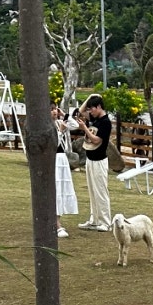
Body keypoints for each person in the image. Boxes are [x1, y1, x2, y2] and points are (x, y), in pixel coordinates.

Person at [78, 93, 113, 231]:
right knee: (92, 191)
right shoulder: (95, 119)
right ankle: (94, 220)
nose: (90, 111)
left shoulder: (105, 122)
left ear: (99, 107)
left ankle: (105, 222)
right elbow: (81, 111)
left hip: (100, 161)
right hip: (90, 159)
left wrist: (85, 129)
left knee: (101, 191)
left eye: (92, 108)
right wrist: (90, 96)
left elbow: (97, 140)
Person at [52, 101, 79, 237]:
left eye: (55, 109)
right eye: (51, 109)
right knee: (56, 190)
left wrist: (65, 115)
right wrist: (60, 131)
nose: (54, 112)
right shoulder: (48, 126)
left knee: (62, 190)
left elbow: (75, 125)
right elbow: (53, 144)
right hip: (54, 159)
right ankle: (56, 224)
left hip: (62, 159)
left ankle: (57, 221)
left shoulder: (58, 122)